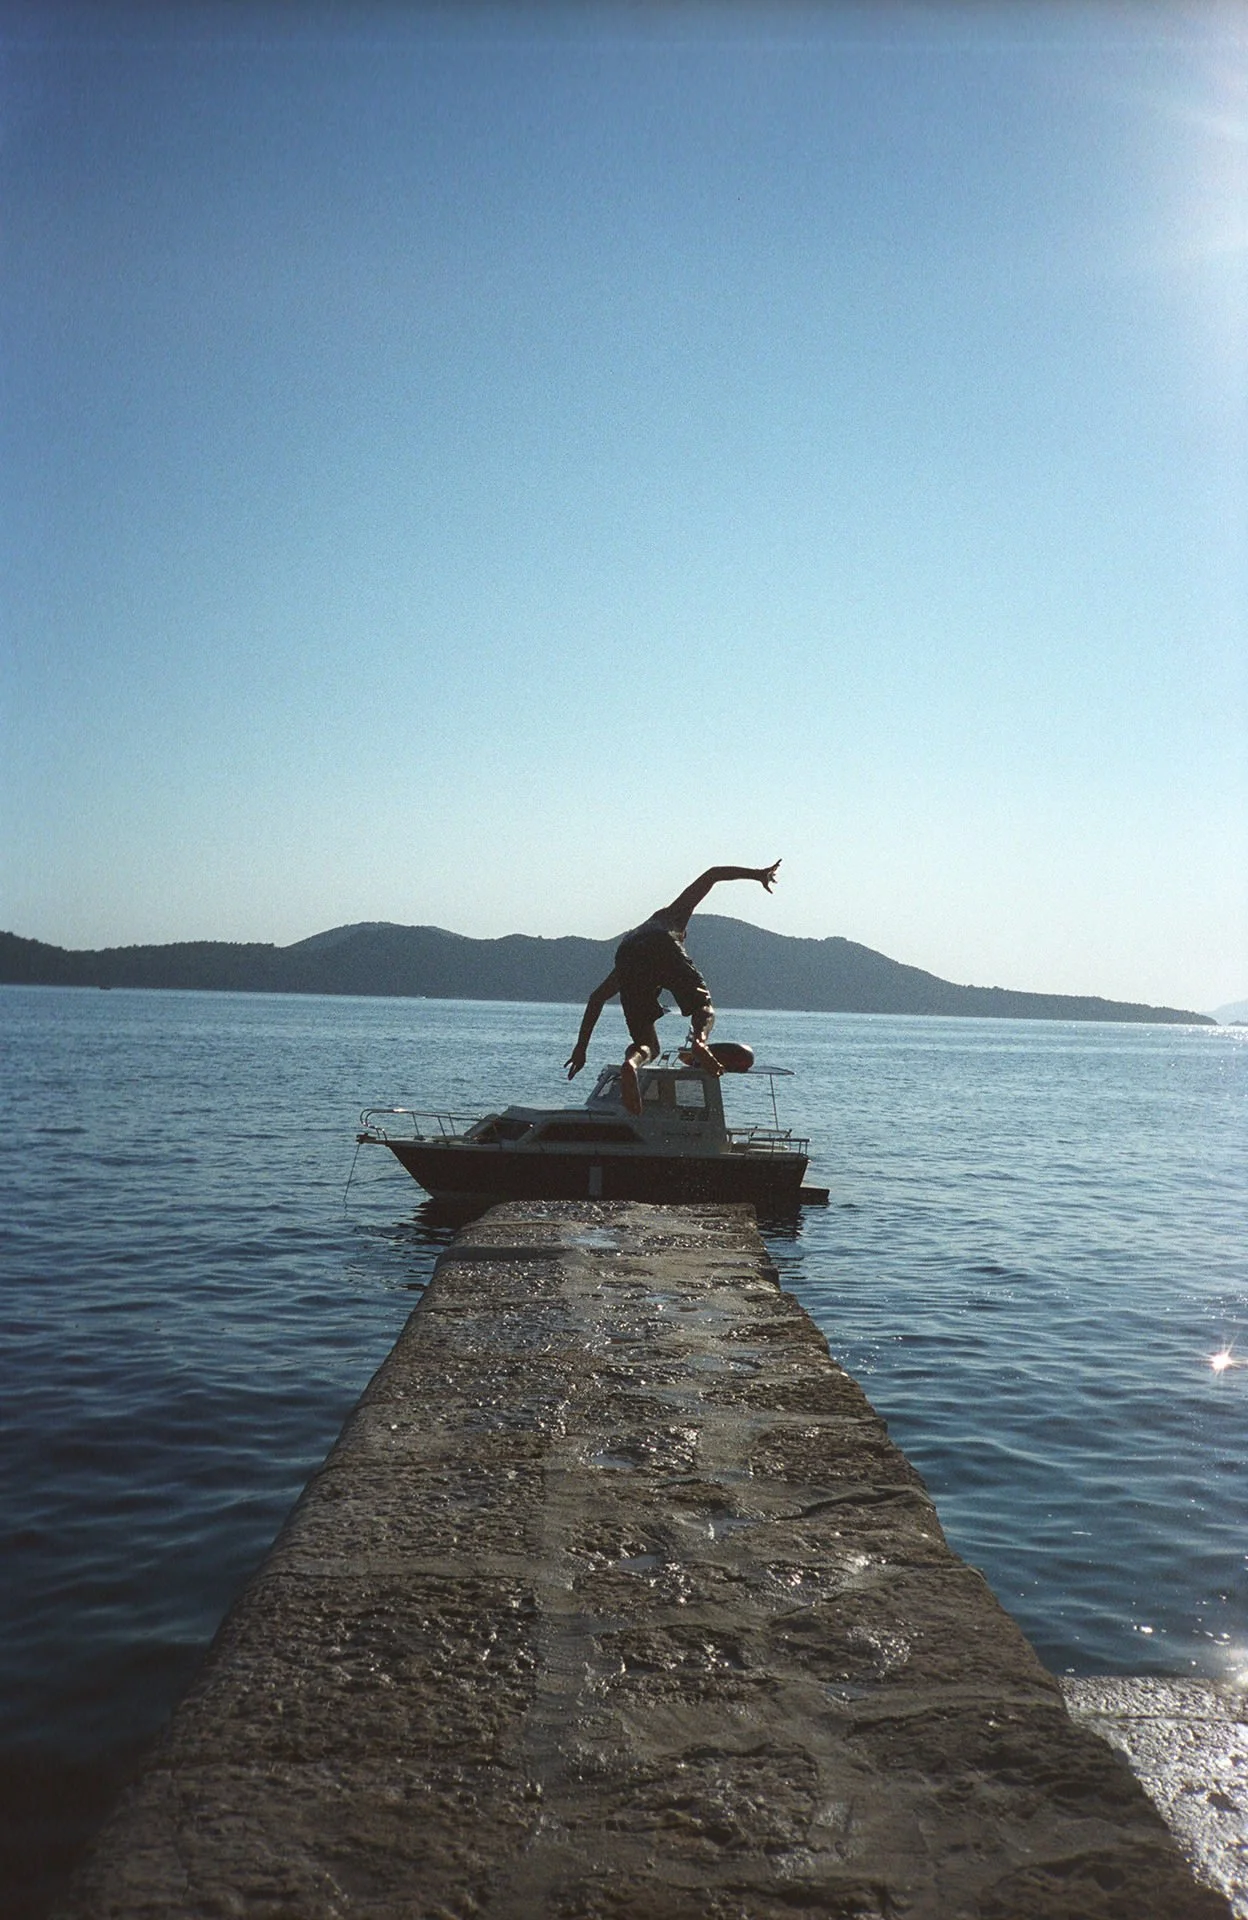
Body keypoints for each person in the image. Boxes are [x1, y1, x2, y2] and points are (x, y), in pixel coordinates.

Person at [564, 862, 781, 1116]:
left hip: (627, 954)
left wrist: (581, 1049)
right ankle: (700, 1042)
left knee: (648, 1045)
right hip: (661, 942)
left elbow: (596, 999)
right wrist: (757, 875)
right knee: (704, 1007)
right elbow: (712, 875)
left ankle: (631, 1065)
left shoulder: (632, 952)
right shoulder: (674, 918)